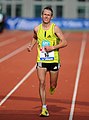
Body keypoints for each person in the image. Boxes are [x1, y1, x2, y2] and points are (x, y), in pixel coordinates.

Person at [27, 6, 67, 117]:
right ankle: (44, 108)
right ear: (41, 15)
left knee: (53, 84)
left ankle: (53, 87)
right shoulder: (36, 28)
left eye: (48, 15)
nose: (46, 16)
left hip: (53, 60)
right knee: (41, 83)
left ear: (51, 17)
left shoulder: (55, 29)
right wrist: (31, 45)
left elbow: (64, 42)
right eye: (45, 14)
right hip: (41, 60)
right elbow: (35, 37)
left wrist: (53, 47)